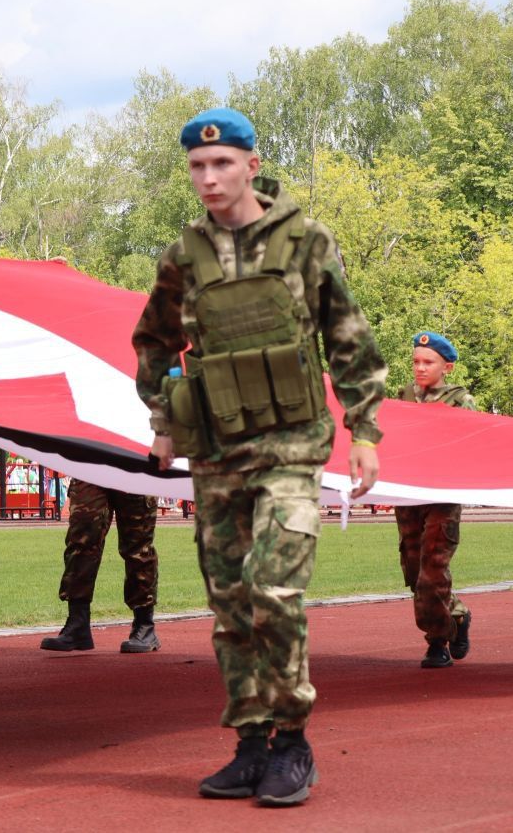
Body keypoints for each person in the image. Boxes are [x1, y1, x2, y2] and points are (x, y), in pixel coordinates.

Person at [132, 108, 387, 807]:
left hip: (291, 449)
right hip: (215, 453)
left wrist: (364, 430)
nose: (208, 178)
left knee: (274, 587)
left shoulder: (307, 241)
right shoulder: (184, 256)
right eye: (196, 166)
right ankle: (250, 744)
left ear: (251, 163)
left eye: (221, 163)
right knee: (231, 605)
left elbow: (349, 339)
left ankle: (292, 742)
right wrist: (162, 420)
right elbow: (153, 342)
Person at [395, 331, 476, 668]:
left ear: (448, 367)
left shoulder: (461, 401)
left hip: (442, 496)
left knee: (432, 571)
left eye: (428, 362)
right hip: (409, 495)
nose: (420, 368)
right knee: (414, 573)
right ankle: (457, 614)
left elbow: (474, 442)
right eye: (416, 361)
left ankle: (437, 641)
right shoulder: (403, 397)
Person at [40, 479, 161, 654]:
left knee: (138, 547)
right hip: (91, 463)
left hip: (134, 464)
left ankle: (144, 625)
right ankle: (78, 623)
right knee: (81, 539)